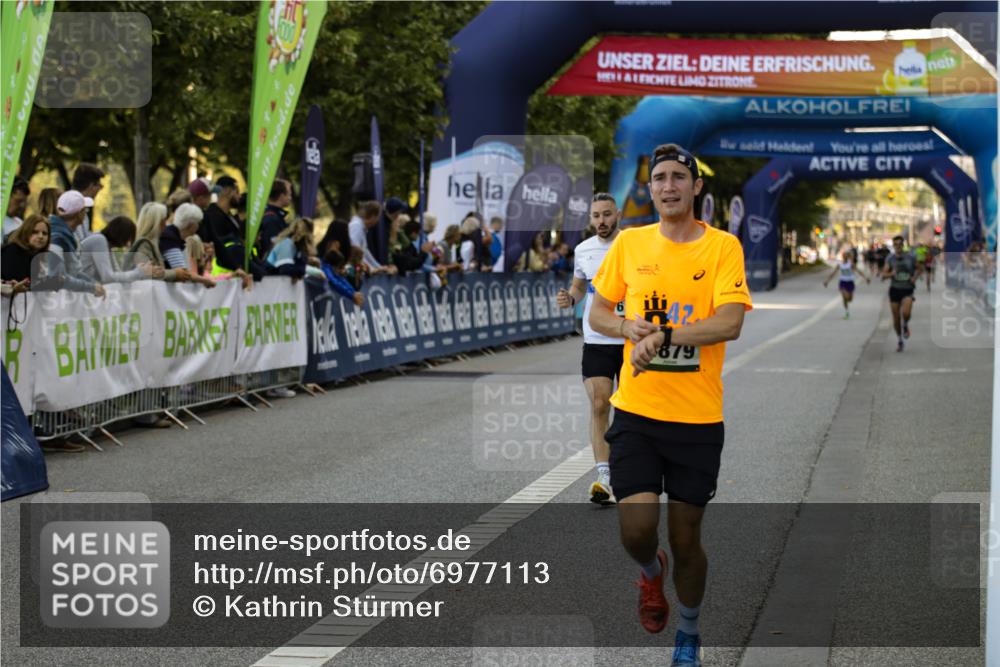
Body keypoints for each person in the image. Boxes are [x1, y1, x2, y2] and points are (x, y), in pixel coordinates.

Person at [589, 143, 751, 666]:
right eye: (659, 178)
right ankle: (649, 573)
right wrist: (626, 327)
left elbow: (730, 322)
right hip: (636, 411)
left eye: (679, 177)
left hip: (697, 419)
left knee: (687, 540)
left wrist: (664, 333)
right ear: (651, 187)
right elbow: (599, 313)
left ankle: (689, 630)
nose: (667, 186)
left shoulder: (722, 248)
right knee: (636, 531)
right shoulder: (631, 244)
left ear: (696, 186)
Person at [555, 192, 625, 505]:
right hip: (596, 340)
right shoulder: (584, 250)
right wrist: (571, 298)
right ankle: (604, 477)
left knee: (630, 410)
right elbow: (580, 285)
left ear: (618, 215)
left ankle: (629, 467)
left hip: (630, 339)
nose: (601, 222)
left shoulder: (633, 246)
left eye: (607, 215)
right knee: (599, 404)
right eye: (596, 216)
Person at [47, 190, 106, 296]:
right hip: (54, 305)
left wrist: (93, 284)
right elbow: (58, 277)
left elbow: (74, 272)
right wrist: (90, 287)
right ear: (79, 214)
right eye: (85, 210)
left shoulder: (64, 235)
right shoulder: (57, 238)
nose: (86, 213)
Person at [79, 215, 161, 283]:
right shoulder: (99, 240)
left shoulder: (106, 244)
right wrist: (138, 272)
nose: (128, 244)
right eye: (127, 239)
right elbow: (108, 277)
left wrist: (141, 270)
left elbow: (117, 273)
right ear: (120, 234)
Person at [126, 202, 191, 283]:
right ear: (159, 222)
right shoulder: (143, 245)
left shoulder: (152, 243)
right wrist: (175, 274)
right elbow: (146, 273)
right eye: (164, 219)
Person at [160, 202, 216, 287]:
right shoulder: (170, 237)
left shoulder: (175, 237)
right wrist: (205, 280)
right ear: (191, 225)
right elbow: (183, 273)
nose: (198, 226)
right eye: (198, 223)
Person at [882, 235, 920, 352]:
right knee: (896, 317)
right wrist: (891, 274)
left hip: (907, 288)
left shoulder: (910, 257)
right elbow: (884, 274)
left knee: (906, 313)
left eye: (900, 244)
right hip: (895, 289)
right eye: (896, 244)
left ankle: (905, 324)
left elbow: (919, 268)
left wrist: (914, 277)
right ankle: (899, 339)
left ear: (903, 245)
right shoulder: (890, 259)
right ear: (893, 246)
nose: (898, 246)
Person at [349, 201, 395, 274]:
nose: (378, 221)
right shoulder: (356, 227)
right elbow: (356, 253)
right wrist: (373, 269)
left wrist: (379, 267)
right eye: (378, 217)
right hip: (358, 272)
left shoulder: (361, 227)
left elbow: (365, 252)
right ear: (373, 216)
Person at [2, 214, 50, 285]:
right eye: (35, 232)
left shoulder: (42, 256)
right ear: (25, 232)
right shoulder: (12, 251)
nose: (41, 236)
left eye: (44, 233)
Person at [823, 248, 870, 319]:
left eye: (846, 256)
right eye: (844, 256)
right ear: (842, 257)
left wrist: (866, 278)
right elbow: (833, 273)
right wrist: (827, 281)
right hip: (843, 282)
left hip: (850, 282)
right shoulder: (839, 265)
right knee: (845, 296)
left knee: (850, 299)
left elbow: (859, 271)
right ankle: (847, 312)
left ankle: (846, 304)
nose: (845, 257)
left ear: (848, 257)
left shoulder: (851, 264)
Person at [70, 163, 105, 243]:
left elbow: (84, 238)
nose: (100, 189)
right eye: (99, 185)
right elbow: (80, 244)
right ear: (91, 185)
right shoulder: (73, 210)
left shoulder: (81, 208)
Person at [258, 178, 293, 252]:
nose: (291, 198)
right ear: (281, 196)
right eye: (289, 194)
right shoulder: (272, 220)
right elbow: (275, 249)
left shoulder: (274, 215)